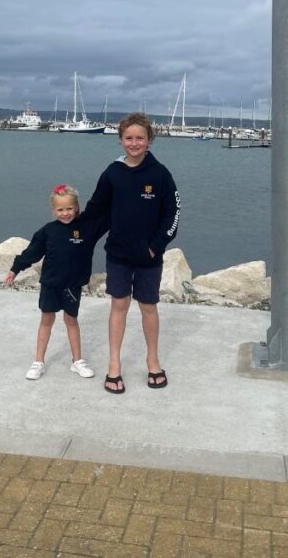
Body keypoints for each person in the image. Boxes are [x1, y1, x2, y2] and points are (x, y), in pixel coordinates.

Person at [81, 112, 180, 394]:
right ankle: (114, 365)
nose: (134, 143)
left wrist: (156, 246)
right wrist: (73, 232)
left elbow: (172, 214)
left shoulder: (160, 174)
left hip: (149, 257)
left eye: (140, 138)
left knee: (148, 307)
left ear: (149, 140)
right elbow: (95, 210)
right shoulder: (112, 173)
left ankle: (153, 361)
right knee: (119, 306)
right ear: (120, 140)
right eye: (128, 138)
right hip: (119, 255)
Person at [4, 183, 109, 381]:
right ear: (54, 211)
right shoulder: (48, 231)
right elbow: (32, 253)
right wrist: (15, 269)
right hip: (50, 284)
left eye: (69, 208)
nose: (65, 213)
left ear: (76, 208)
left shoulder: (88, 228)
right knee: (47, 320)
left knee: (71, 320)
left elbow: (108, 215)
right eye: (60, 210)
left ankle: (77, 361)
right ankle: (38, 362)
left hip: (72, 285)